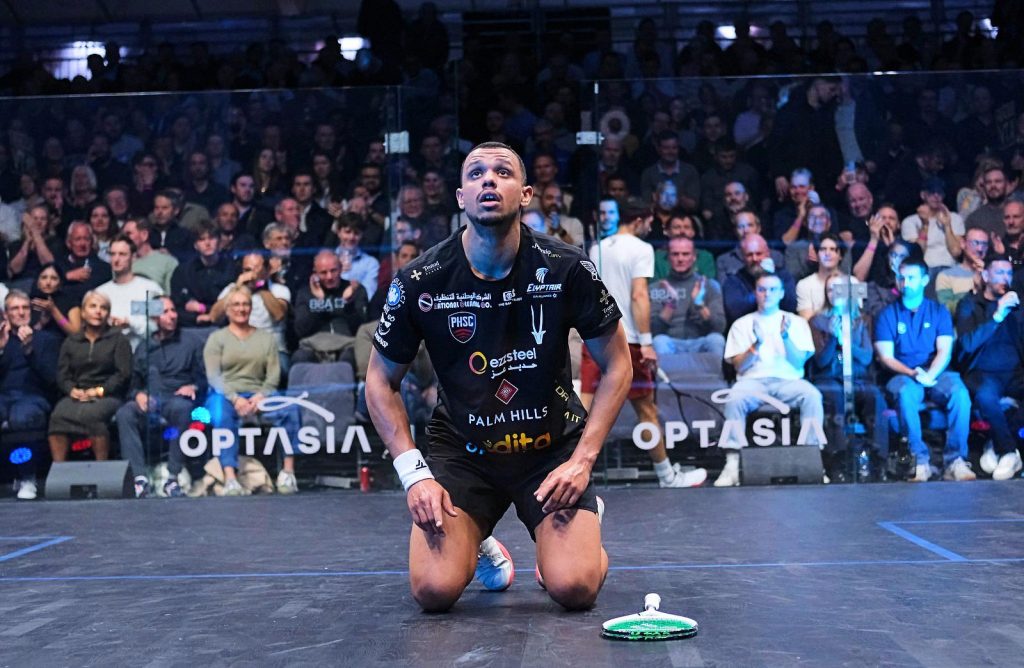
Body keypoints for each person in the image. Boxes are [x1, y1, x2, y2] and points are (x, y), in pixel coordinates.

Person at [366, 142, 631, 612]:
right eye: (476, 173)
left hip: (550, 450)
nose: (488, 179)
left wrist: (583, 461)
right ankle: (480, 541)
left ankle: (568, 543)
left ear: (525, 194)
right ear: (460, 197)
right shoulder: (419, 280)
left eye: (503, 172)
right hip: (464, 454)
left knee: (573, 587)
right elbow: (379, 382)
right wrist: (414, 476)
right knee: (433, 592)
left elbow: (618, 365)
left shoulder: (568, 267)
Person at [584, 197, 708, 488]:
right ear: (639, 221)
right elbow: (639, 295)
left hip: (594, 337)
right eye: (650, 222)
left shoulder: (597, 247)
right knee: (646, 410)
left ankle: (565, 473)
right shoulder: (642, 249)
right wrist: (647, 342)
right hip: (627, 341)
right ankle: (667, 476)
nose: (651, 228)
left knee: (584, 411)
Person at [717, 273, 825, 487]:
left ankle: (812, 461)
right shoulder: (742, 324)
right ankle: (732, 464)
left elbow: (798, 362)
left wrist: (785, 337)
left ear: (782, 293)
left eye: (773, 289)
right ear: (755, 293)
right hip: (752, 382)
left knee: (812, 395)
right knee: (734, 399)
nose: (767, 294)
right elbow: (739, 366)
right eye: (762, 289)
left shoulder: (796, 322)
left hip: (789, 381)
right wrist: (756, 345)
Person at [874, 257, 975, 482]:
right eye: (901, 278)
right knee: (905, 393)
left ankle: (955, 460)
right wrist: (913, 374)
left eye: (911, 278)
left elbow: (944, 351)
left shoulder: (939, 311)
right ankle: (919, 461)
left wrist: (930, 375)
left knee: (960, 394)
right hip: (903, 374)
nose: (905, 283)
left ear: (924, 280)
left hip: (937, 372)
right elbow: (886, 357)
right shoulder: (887, 314)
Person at [204, 285, 301, 495]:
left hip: (259, 395)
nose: (241, 309)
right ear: (227, 309)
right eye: (236, 304)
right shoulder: (216, 338)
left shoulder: (266, 338)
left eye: (245, 304)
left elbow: (273, 375)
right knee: (221, 416)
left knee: (290, 409)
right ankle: (230, 478)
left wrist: (260, 396)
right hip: (225, 395)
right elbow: (213, 376)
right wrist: (235, 398)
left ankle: (288, 473)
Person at [115, 297, 206, 498]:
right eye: (165, 312)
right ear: (154, 317)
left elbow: (203, 379)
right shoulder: (144, 347)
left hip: (176, 398)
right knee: (125, 413)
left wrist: (193, 386)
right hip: (150, 399)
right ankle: (139, 479)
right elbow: (133, 385)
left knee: (183, 409)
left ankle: (172, 478)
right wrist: (138, 394)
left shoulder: (191, 342)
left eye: (173, 310)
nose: (172, 315)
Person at [808, 275, 888, 481]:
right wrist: (833, 338)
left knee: (875, 397)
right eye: (829, 290)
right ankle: (838, 459)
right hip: (829, 377)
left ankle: (878, 458)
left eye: (838, 289)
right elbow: (821, 361)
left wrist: (846, 341)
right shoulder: (817, 321)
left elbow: (866, 357)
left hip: (858, 377)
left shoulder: (862, 320)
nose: (833, 294)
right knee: (834, 397)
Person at [954, 255, 1023, 480]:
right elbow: (967, 344)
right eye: (1000, 273)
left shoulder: (1017, 307)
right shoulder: (969, 305)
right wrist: (997, 316)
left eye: (1009, 273)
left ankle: (997, 441)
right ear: (985, 276)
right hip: (983, 373)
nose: (1005, 278)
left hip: (1015, 374)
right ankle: (1009, 451)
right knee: (985, 396)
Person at [48, 290, 132, 464]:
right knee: (57, 416)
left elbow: (123, 374)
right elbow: (62, 374)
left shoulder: (118, 339)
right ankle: (59, 470)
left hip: (108, 395)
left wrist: (99, 391)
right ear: (83, 312)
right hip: (78, 393)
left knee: (92, 415)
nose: (98, 311)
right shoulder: (72, 341)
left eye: (103, 308)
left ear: (108, 314)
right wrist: (71, 390)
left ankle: (101, 468)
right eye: (93, 306)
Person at [0, 290, 60, 500]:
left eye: (25, 308)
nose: (21, 312)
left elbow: (52, 379)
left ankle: (27, 477)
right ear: (6, 314)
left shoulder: (46, 340)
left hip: (32, 396)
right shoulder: (2, 339)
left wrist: (29, 351)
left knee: (22, 417)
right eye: (15, 308)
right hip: (4, 396)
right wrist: (1, 350)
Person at [210, 252, 290, 375]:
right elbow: (214, 317)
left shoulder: (279, 290)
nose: (251, 274)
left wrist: (260, 287)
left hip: (273, 351)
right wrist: (237, 289)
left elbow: (279, 314)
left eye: (257, 269)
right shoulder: (233, 289)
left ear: (266, 270)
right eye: (247, 270)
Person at [650, 236, 726, 359]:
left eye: (685, 254)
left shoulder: (709, 285)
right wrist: (671, 304)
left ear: (694, 257)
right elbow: (654, 329)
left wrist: (699, 304)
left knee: (716, 340)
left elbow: (719, 326)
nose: (680, 259)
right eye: (675, 254)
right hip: (670, 342)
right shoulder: (657, 288)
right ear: (668, 258)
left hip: (700, 342)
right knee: (659, 341)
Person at [292, 250, 369, 364]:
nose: (329, 276)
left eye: (333, 271)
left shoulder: (354, 290)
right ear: (315, 273)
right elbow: (301, 330)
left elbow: (361, 328)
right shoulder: (305, 293)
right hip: (313, 346)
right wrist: (319, 302)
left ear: (341, 268)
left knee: (348, 360)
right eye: (323, 272)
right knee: (299, 358)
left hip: (347, 344)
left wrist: (349, 303)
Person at [96, 236, 163, 351]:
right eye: (113, 254)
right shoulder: (100, 293)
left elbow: (160, 326)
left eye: (122, 254)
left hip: (145, 353)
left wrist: (130, 324)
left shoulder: (150, 289)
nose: (116, 259)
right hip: (109, 353)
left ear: (133, 257)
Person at [722, 233, 797, 325]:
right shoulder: (733, 281)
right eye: (749, 255)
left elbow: (790, 306)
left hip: (780, 325)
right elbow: (735, 312)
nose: (755, 258)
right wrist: (764, 291)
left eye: (758, 254)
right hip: (747, 328)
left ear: (767, 253)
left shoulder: (783, 276)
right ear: (742, 257)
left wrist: (770, 275)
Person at [900, 177, 964, 272]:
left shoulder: (955, 218)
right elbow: (917, 254)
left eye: (939, 192)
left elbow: (956, 252)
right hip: (924, 269)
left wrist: (947, 225)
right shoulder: (910, 222)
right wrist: (925, 225)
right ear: (923, 195)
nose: (936, 196)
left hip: (949, 269)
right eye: (932, 192)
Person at [795, 233, 858, 319]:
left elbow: (857, 316)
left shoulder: (853, 282)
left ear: (840, 255)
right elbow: (807, 320)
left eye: (833, 249)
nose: (827, 253)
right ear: (817, 254)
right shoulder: (804, 285)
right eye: (823, 249)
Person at [716, 211, 784, 279]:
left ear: (758, 228)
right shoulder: (724, 260)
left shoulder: (776, 256)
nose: (746, 230)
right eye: (740, 226)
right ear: (735, 231)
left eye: (750, 225)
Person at [935, 227, 989, 314]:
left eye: (984, 244)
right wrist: (974, 291)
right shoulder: (946, 276)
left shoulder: (992, 275)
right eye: (975, 243)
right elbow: (946, 310)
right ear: (963, 243)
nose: (980, 249)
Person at [122, 217, 178, 294]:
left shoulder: (167, 262)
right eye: (123, 235)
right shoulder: (120, 262)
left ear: (144, 235)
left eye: (128, 234)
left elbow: (171, 295)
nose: (123, 238)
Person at [29, 263, 81, 338]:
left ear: (60, 283)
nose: (48, 282)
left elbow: (75, 334)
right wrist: (41, 323)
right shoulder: (30, 302)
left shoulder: (69, 301)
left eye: (54, 278)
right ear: (37, 282)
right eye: (44, 277)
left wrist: (54, 311)